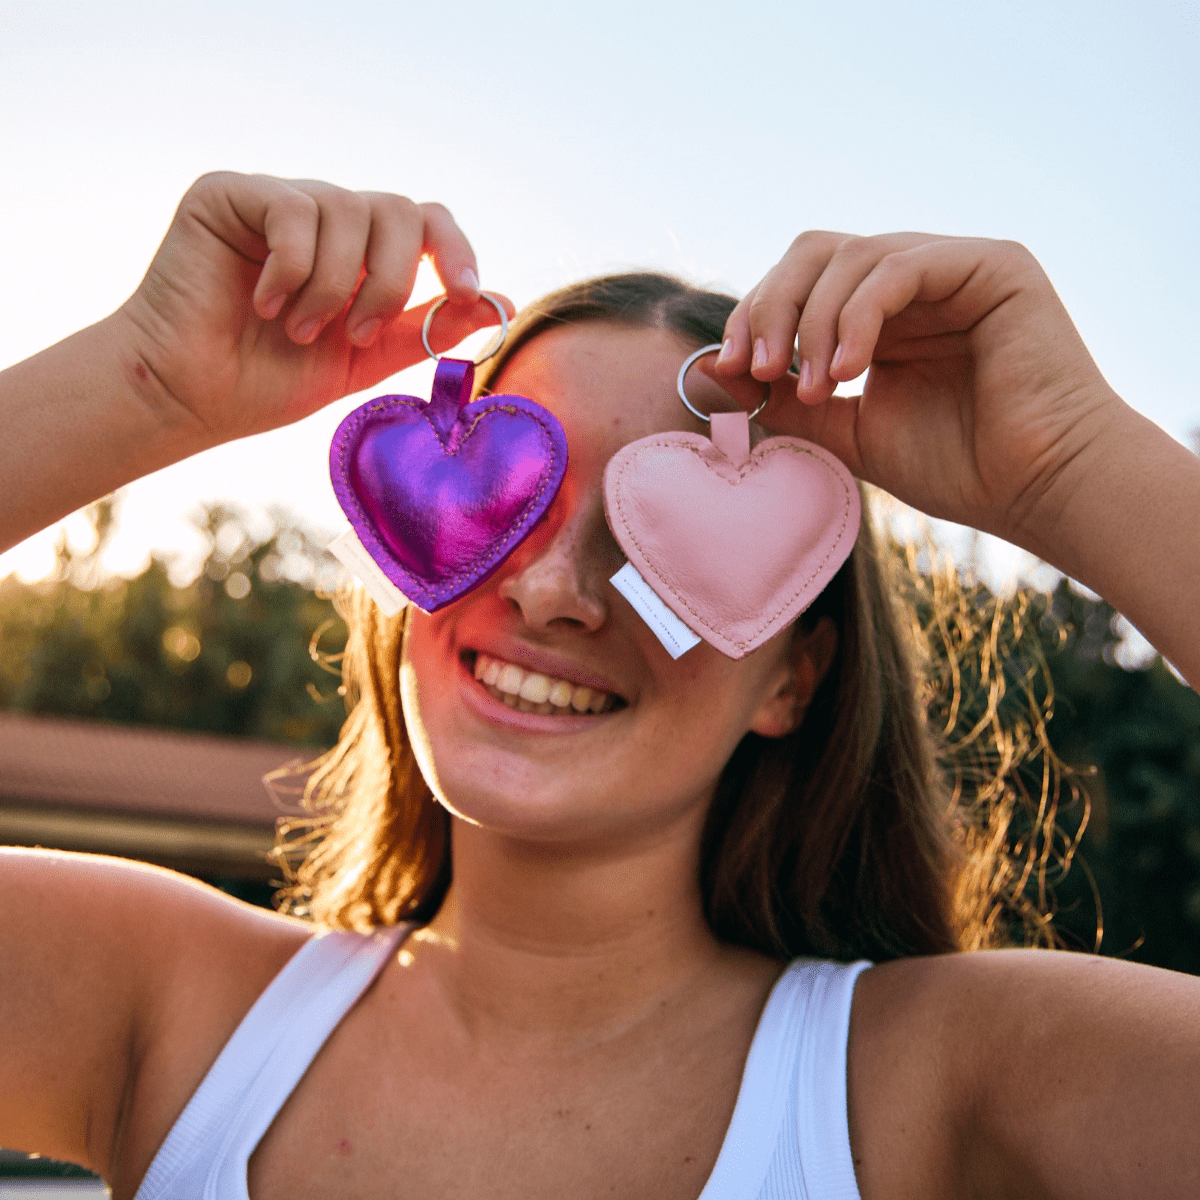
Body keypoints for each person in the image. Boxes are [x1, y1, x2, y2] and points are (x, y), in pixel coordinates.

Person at [1, 171, 1197, 1200]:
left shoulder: (947, 1076)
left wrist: (1073, 466)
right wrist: (144, 381)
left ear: (794, 675)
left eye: (648, 540)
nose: (552, 592)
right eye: (505, 504)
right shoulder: (163, 1004)